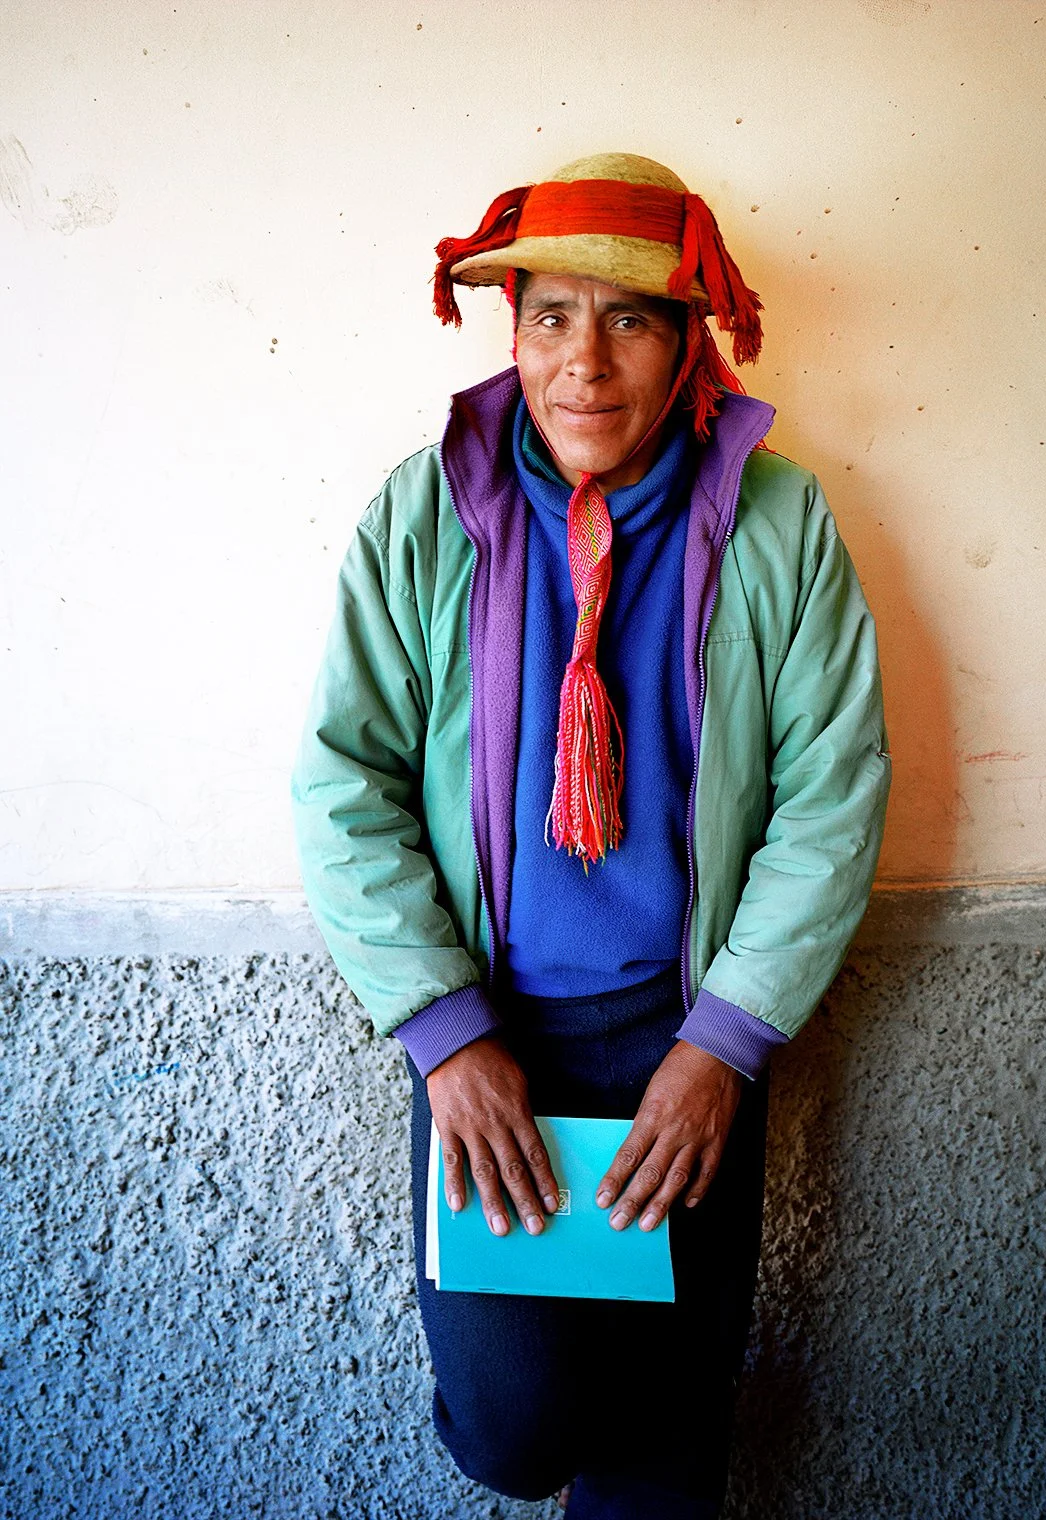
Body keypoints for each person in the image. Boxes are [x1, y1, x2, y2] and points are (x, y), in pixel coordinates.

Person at [291, 151, 890, 1519]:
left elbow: (832, 794)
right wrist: (446, 1036)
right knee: (516, 1427)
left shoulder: (779, 523)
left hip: (687, 1037)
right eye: (552, 315)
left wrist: (723, 1047)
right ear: (512, 332)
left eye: (630, 318)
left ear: (686, 343)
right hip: (494, 1042)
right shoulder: (428, 516)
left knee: (665, 1439)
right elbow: (345, 783)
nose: (586, 362)